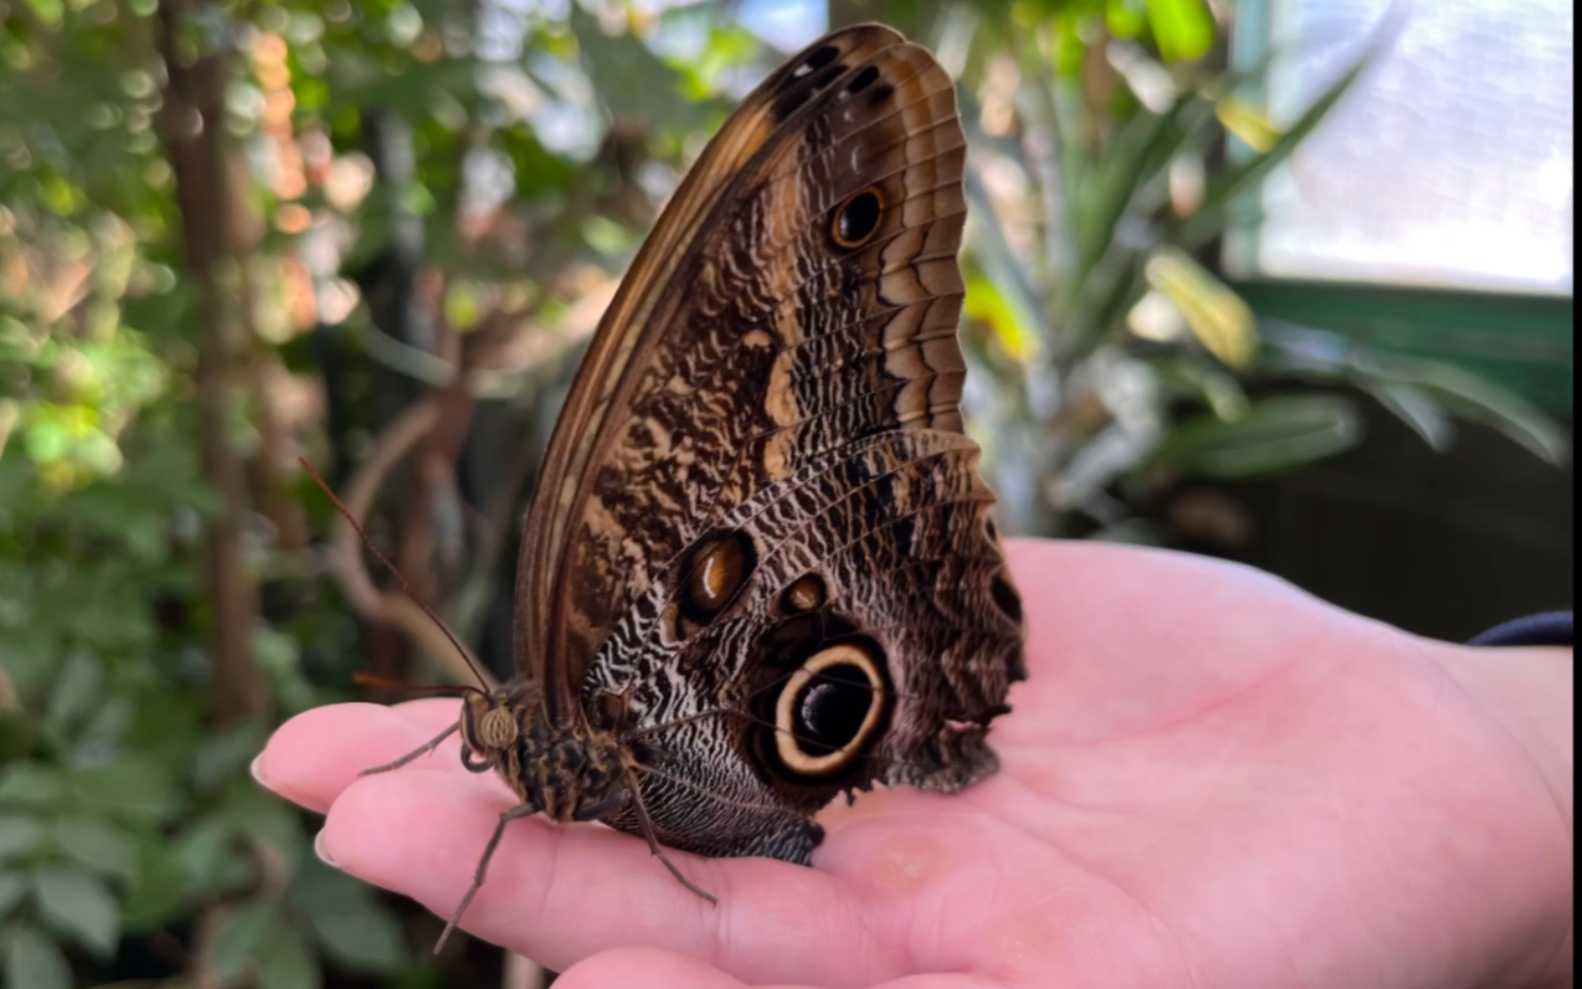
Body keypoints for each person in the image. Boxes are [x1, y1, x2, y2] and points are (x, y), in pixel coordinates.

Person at [255, 538, 1573, 989]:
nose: (478, 737)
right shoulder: (515, 733)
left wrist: (1498, 745)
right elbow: (471, 748)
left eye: (483, 727)